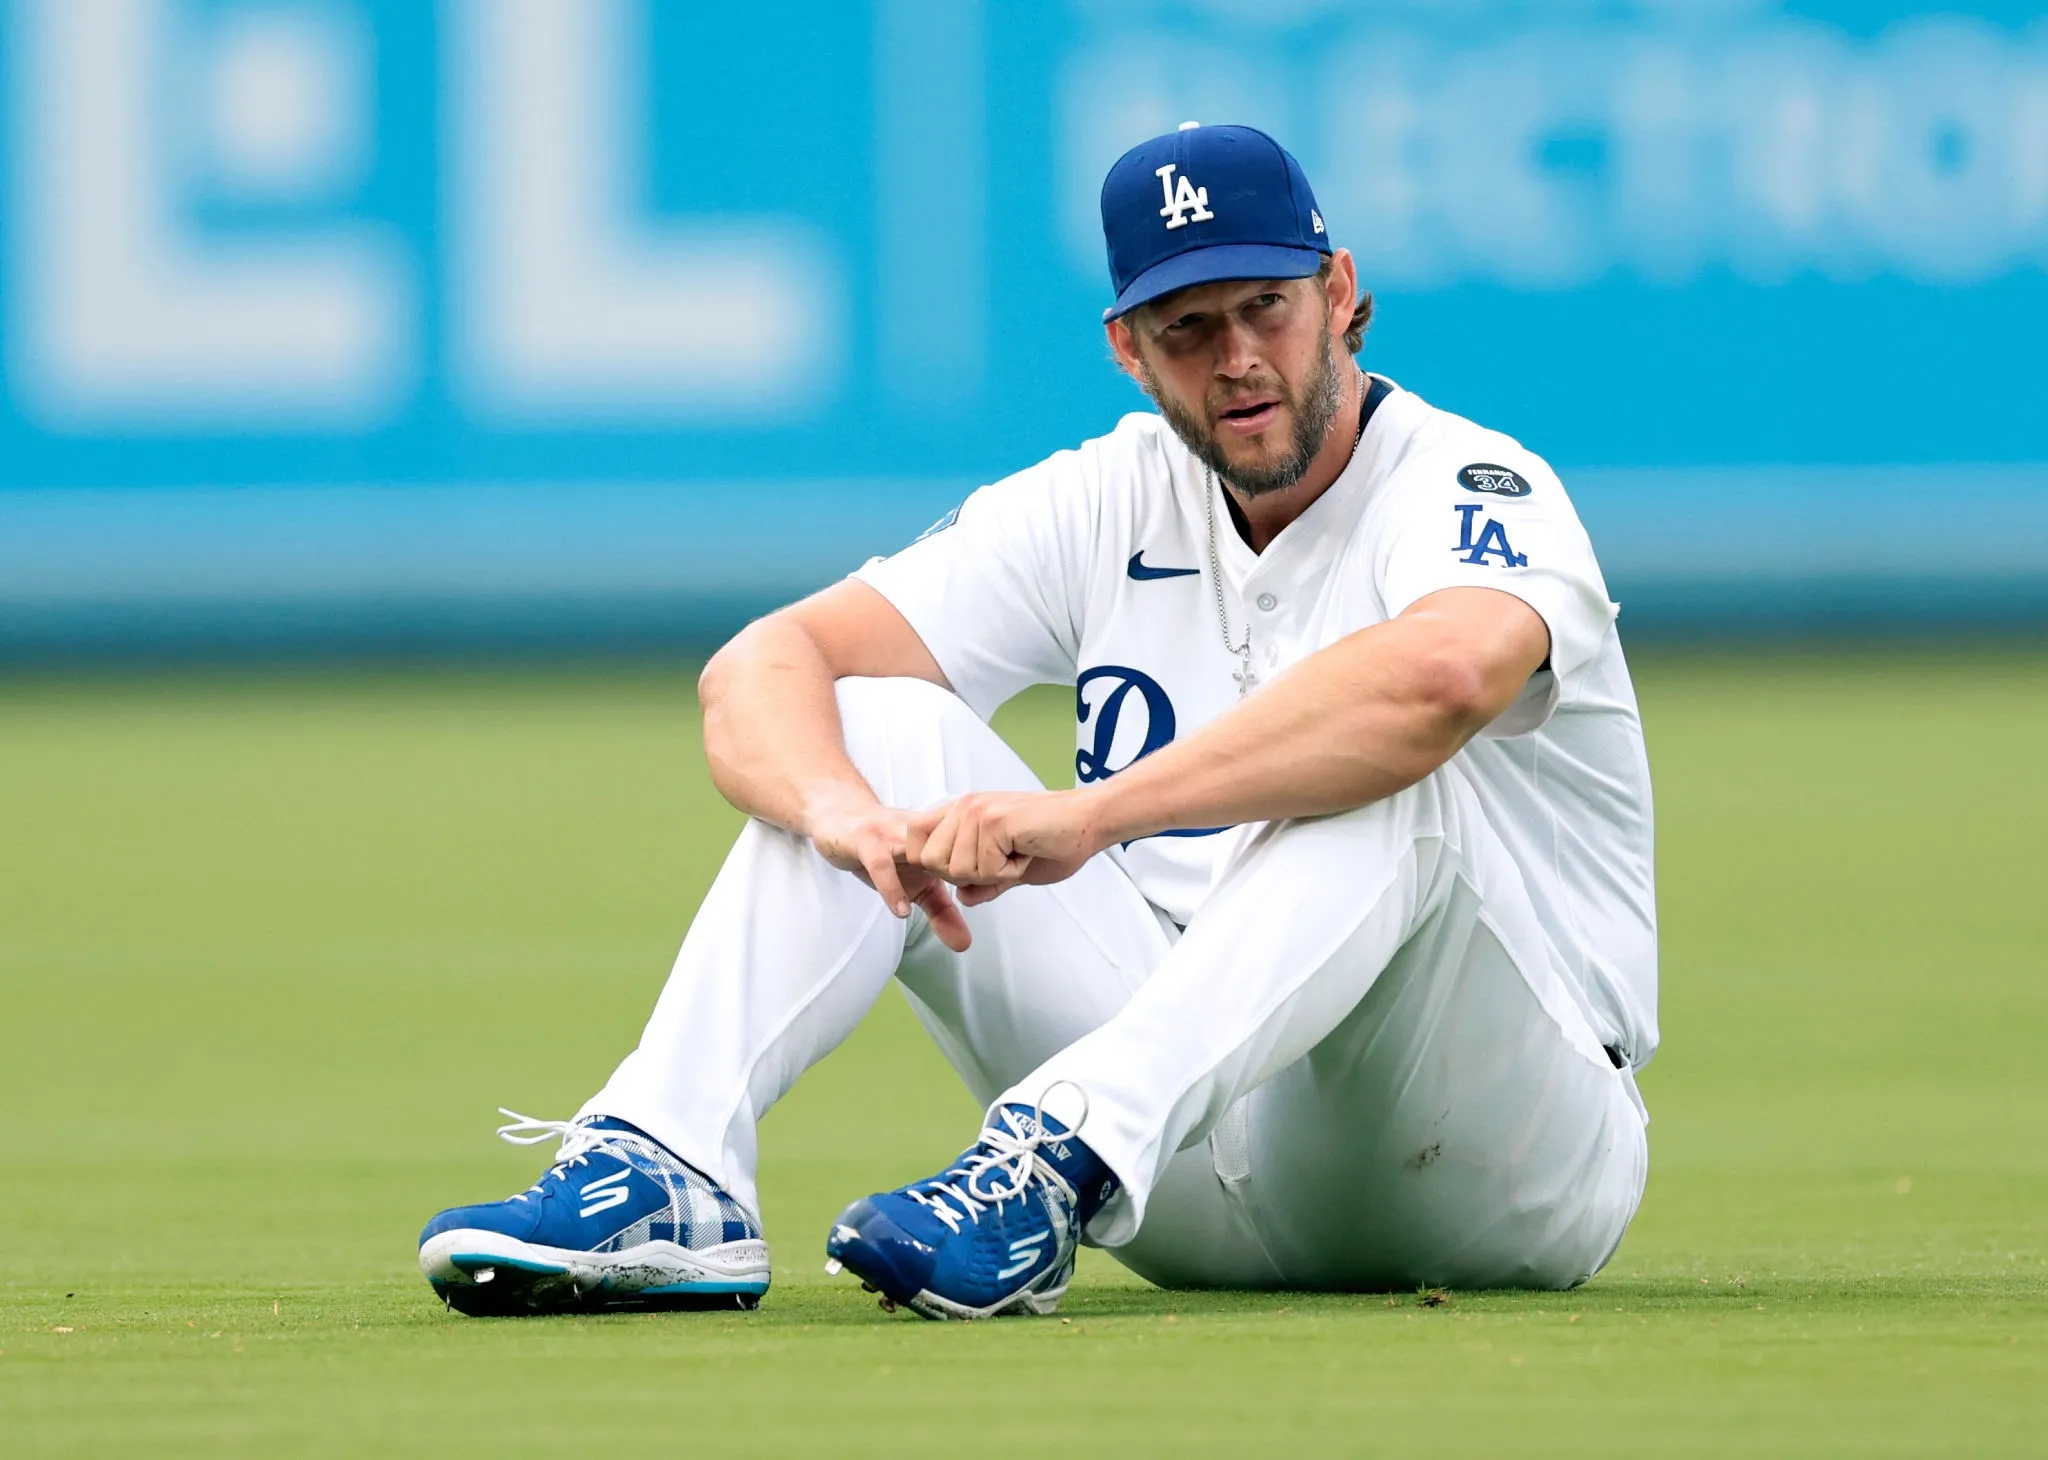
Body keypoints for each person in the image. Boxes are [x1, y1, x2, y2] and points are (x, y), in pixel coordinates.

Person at [417, 123, 1657, 1321]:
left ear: (1338, 292)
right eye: (1187, 327)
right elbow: (762, 663)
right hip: (1186, 1159)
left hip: (1494, 1151)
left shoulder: (1464, 480)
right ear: (1128, 345)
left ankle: (1045, 1160)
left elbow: (1438, 680)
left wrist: (1093, 814)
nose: (1234, 357)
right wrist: (843, 817)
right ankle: (670, 1166)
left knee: (1395, 777)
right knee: (870, 722)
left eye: (1263, 308)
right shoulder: (1105, 494)